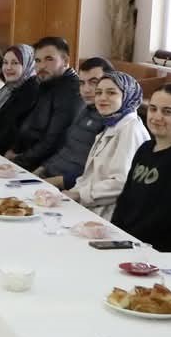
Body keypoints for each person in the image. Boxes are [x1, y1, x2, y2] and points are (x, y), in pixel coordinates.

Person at [111, 83, 171, 250]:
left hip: (160, 248)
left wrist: (130, 240)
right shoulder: (145, 149)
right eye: (153, 109)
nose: (157, 117)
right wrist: (115, 232)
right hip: (130, 239)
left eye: (167, 111)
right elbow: (125, 198)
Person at [67, 71, 148, 219]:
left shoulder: (131, 130)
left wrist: (78, 194)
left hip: (110, 215)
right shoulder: (112, 123)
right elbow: (89, 176)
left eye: (111, 93)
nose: (102, 98)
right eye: (98, 93)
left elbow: (121, 183)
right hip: (90, 206)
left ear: (127, 95)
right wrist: (71, 193)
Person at [34, 57, 113, 188]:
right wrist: (41, 169)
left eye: (93, 82)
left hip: (70, 187)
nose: (86, 89)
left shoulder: (111, 122)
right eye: (82, 83)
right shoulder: (85, 110)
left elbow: (94, 173)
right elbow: (66, 149)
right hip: (50, 176)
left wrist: (54, 182)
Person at [9, 37, 83, 168]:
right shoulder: (46, 83)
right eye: (37, 60)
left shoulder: (71, 90)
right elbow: (28, 124)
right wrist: (14, 150)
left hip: (43, 167)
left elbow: (53, 141)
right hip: (25, 157)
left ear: (65, 61)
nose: (41, 66)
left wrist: (18, 160)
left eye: (49, 59)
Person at [0, 44, 37, 150]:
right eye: (5, 62)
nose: (8, 67)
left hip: (4, 152)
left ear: (28, 64)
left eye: (15, 63)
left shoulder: (30, 91)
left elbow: (15, 129)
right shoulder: (8, 88)